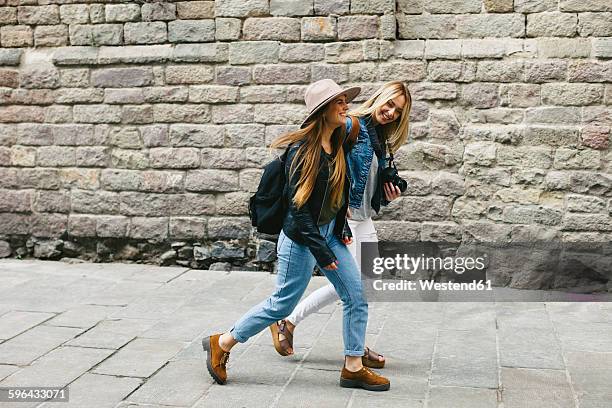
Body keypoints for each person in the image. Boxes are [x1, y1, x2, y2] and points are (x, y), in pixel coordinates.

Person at [203, 79, 390, 392]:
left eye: (345, 101)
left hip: (330, 233)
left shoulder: (340, 141)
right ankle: (222, 342)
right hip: (301, 239)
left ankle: (353, 367)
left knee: (356, 297)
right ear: (323, 111)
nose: (346, 106)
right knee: (280, 305)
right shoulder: (302, 153)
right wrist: (324, 255)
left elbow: (339, 192)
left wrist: (341, 228)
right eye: (339, 102)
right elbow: (299, 214)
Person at [269, 81, 412, 369]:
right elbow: (321, 151)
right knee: (353, 285)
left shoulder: (381, 138)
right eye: (389, 104)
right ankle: (301, 325)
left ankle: (346, 341)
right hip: (344, 220)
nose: (391, 112)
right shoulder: (351, 125)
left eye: (397, 111)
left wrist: (386, 193)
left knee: (365, 284)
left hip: (364, 217)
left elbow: (367, 181)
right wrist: (334, 206)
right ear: (379, 98)